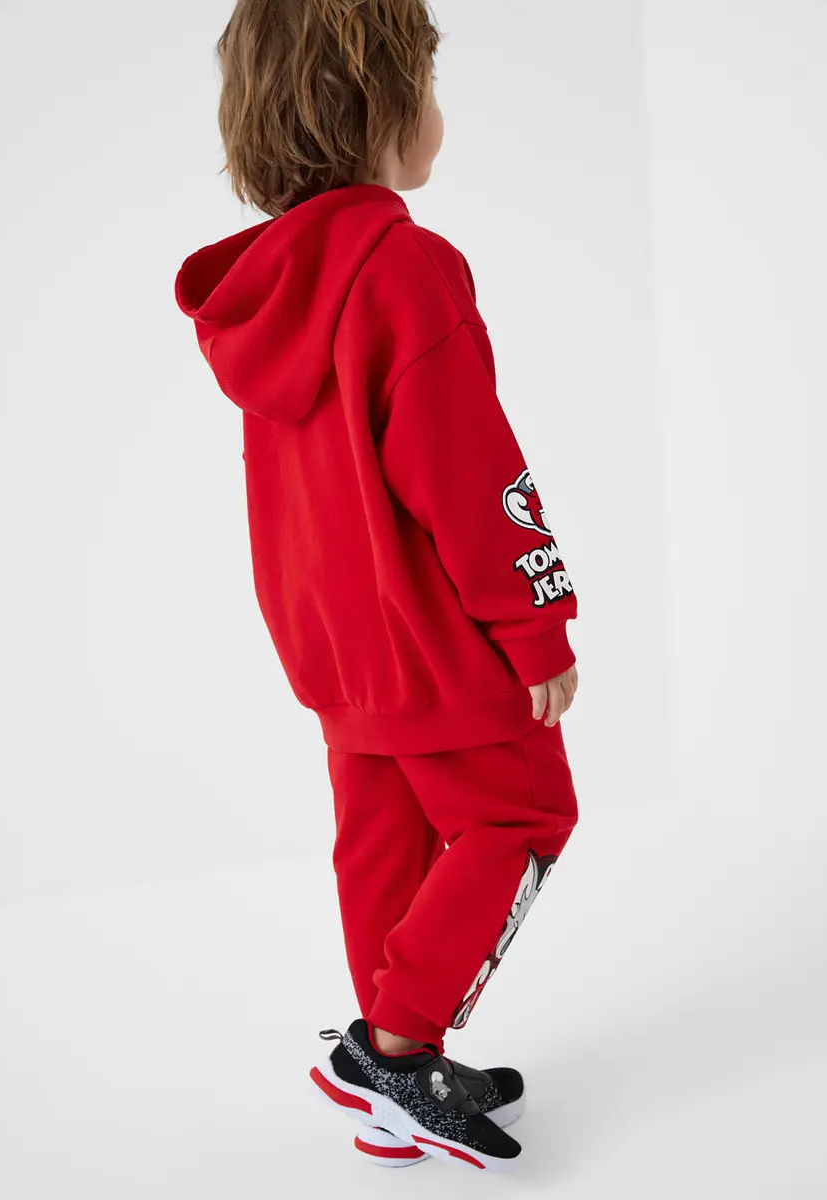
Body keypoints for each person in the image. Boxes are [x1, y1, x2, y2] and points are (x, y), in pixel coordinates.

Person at [174, 0, 579, 1174]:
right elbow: (468, 470)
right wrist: (536, 620)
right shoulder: (405, 268)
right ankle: (394, 1052)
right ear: (383, 107)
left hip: (332, 642)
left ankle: (394, 1074)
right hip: (433, 636)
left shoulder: (270, 294)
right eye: (428, 87)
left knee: (384, 843)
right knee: (520, 816)